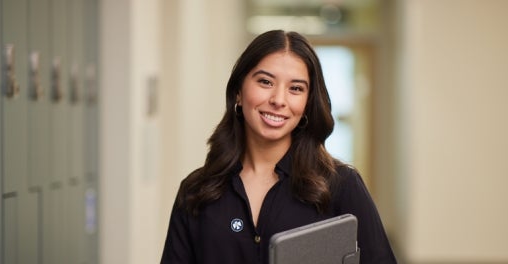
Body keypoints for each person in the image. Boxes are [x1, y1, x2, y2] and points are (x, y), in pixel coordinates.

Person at [161, 30, 397, 264]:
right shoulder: (196, 191)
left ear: (306, 103)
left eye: (295, 88)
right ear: (238, 93)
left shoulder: (341, 186)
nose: (278, 100)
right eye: (265, 82)